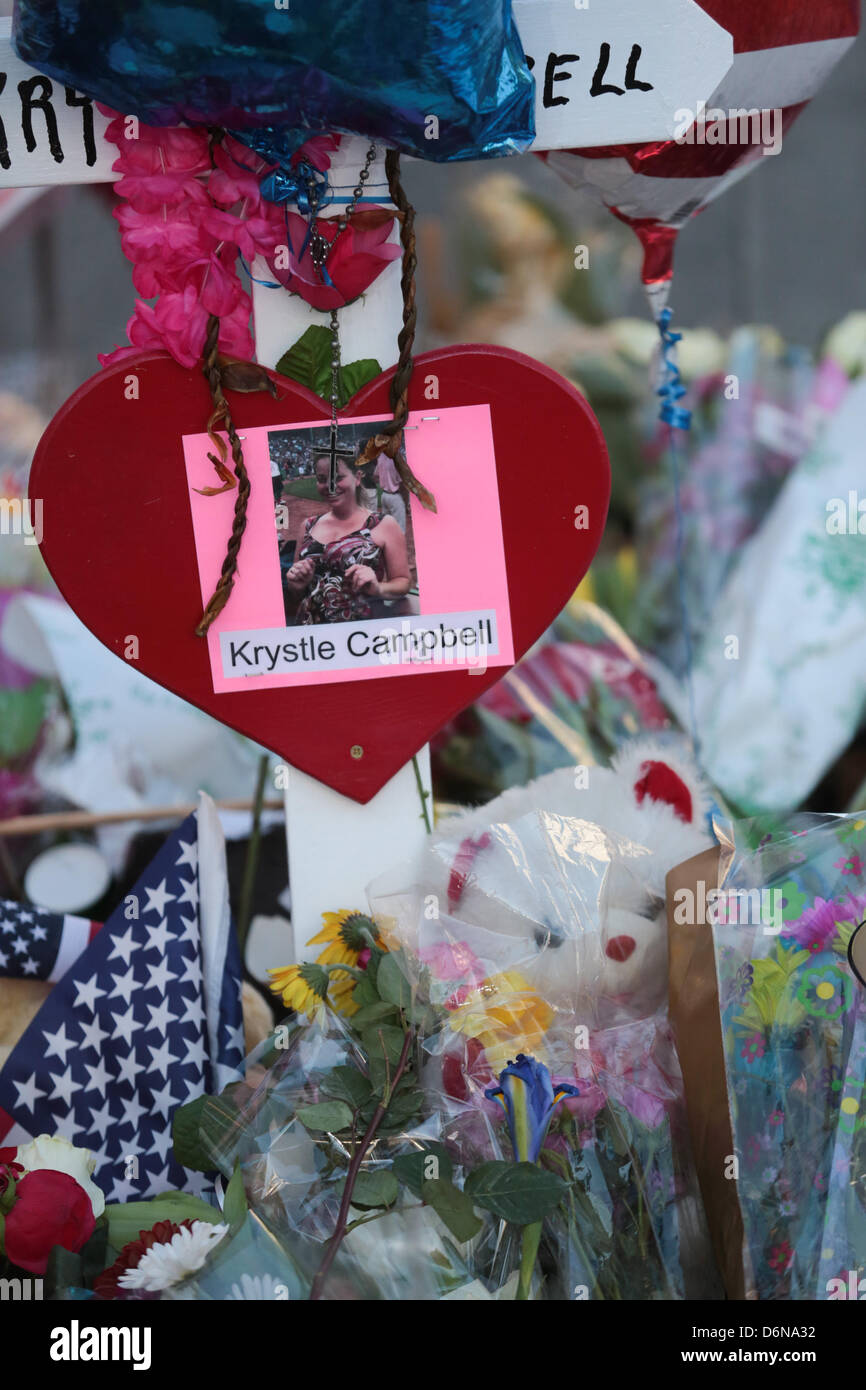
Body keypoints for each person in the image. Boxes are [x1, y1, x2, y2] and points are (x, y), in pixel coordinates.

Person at [283, 452, 410, 624]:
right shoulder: (307, 526)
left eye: (338, 477)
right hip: (312, 635)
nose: (330, 486)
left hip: (361, 636)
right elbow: (296, 591)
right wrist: (296, 585)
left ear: (357, 478)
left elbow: (403, 583)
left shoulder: (384, 524)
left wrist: (378, 588)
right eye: (322, 479)